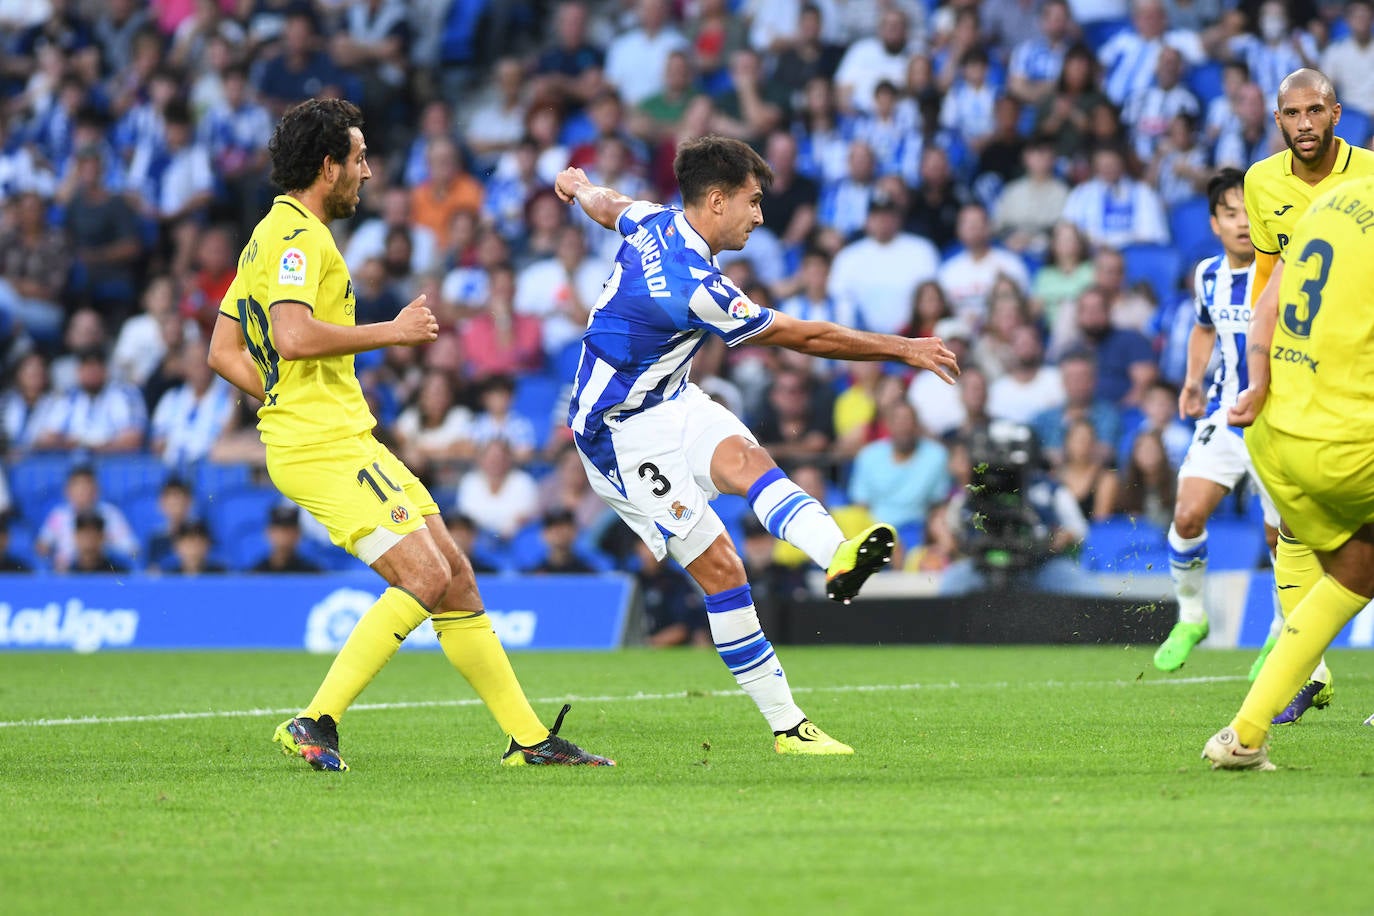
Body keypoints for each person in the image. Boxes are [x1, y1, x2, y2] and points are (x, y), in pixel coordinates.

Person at [206, 99, 612, 771]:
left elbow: (224, 353)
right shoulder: (302, 239)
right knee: (423, 574)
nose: (368, 173)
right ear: (329, 165)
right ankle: (315, 721)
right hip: (323, 444)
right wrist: (389, 332)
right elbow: (293, 336)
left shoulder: (267, 236)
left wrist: (281, 396)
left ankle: (529, 740)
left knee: (454, 577)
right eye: (359, 159)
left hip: (341, 435)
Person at [555, 135, 958, 755]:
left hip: (671, 400)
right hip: (618, 435)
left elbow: (610, 205)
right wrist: (904, 347)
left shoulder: (654, 220)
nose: (760, 215)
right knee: (723, 568)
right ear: (716, 202)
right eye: (752, 201)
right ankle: (787, 726)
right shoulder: (694, 287)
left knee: (750, 461)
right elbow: (807, 337)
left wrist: (578, 186)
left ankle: (837, 556)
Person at [1202, 172, 1374, 770]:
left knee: (1355, 574)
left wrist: (1256, 385)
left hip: (1276, 433)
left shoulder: (1330, 206)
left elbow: (1267, 303)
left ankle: (1243, 736)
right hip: (1350, 442)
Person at [1230, 68, 1374, 721]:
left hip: (1359, 375)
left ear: (1337, 113)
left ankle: (1254, 721)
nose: (1306, 124)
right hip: (1298, 376)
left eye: (1316, 110)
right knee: (1286, 529)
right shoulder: (1261, 182)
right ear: (1278, 120)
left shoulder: (1368, 174)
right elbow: (1268, 278)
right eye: (1293, 113)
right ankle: (1308, 677)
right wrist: (1257, 372)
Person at [1153, 168, 1281, 673]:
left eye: (1249, 212)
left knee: (1280, 537)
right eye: (1231, 214)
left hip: (1276, 420)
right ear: (1215, 223)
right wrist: (1191, 380)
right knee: (1186, 515)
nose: (1243, 223)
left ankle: (1279, 631)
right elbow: (1204, 328)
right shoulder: (1208, 274)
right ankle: (1191, 617)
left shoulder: (1283, 271)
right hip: (1225, 415)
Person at [251, 504, 322, 573]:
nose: (284, 536)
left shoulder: (311, 574)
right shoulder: (256, 574)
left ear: (298, 534)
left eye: (289, 531)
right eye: (279, 531)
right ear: (269, 533)